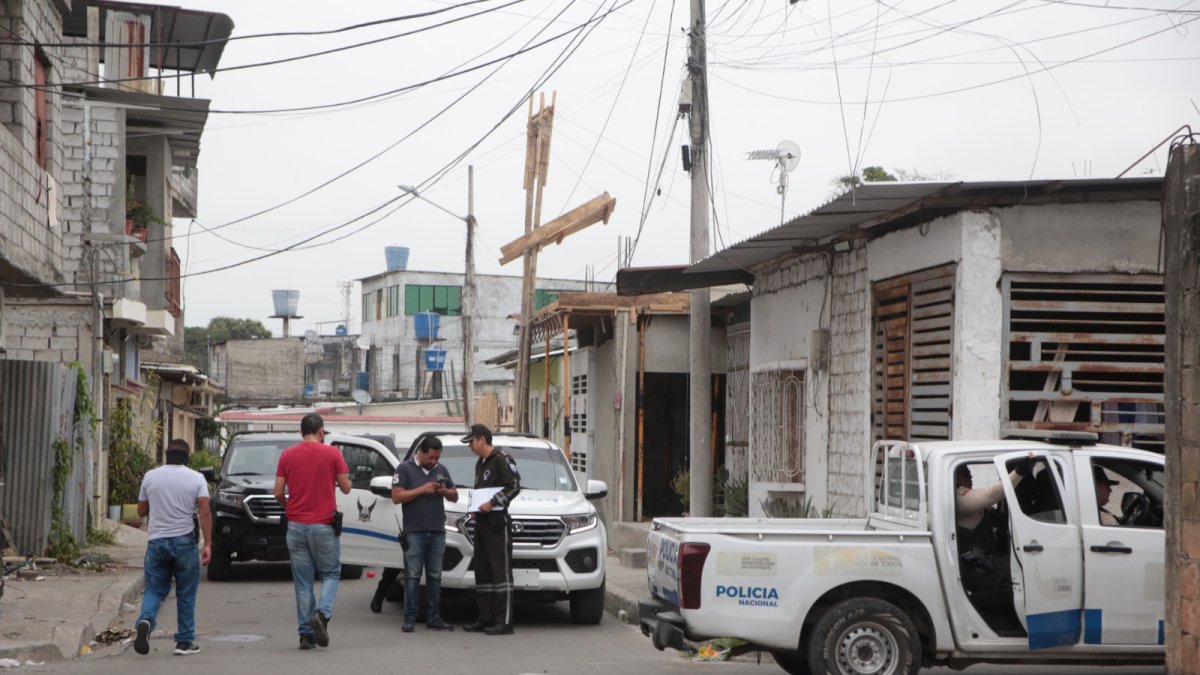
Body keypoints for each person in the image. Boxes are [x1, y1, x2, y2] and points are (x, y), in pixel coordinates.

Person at [274, 413, 351, 650]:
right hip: (324, 525)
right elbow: (347, 488)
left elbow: (278, 491)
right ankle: (323, 614)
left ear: (301, 432)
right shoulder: (332, 454)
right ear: (321, 431)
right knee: (331, 574)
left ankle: (306, 635)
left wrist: (292, 509)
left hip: (296, 526)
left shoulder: (287, 455)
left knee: (303, 582)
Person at [133, 439, 212, 657]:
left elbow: (141, 511)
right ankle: (184, 642)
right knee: (185, 592)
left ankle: (146, 620)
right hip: (185, 543)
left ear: (167, 455)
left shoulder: (151, 476)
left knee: (155, 589)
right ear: (187, 457)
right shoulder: (197, 478)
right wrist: (208, 544)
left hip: (157, 542)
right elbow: (204, 511)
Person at [384, 436, 459, 632]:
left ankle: (434, 617)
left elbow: (455, 494)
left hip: (437, 531)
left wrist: (444, 491)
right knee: (413, 576)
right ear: (421, 452)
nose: (434, 462)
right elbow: (396, 496)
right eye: (430, 457)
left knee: (435, 576)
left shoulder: (441, 470)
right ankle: (410, 618)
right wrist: (422, 489)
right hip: (414, 531)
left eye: (437, 458)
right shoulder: (404, 468)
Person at [461, 424, 521, 636]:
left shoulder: (502, 459)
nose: (470, 446)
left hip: (496, 522)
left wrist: (492, 502)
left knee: (500, 572)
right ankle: (485, 618)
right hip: (482, 523)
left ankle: (504, 621)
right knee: (483, 570)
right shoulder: (481, 463)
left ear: (482, 439)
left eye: (471, 441)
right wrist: (477, 509)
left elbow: (514, 486)